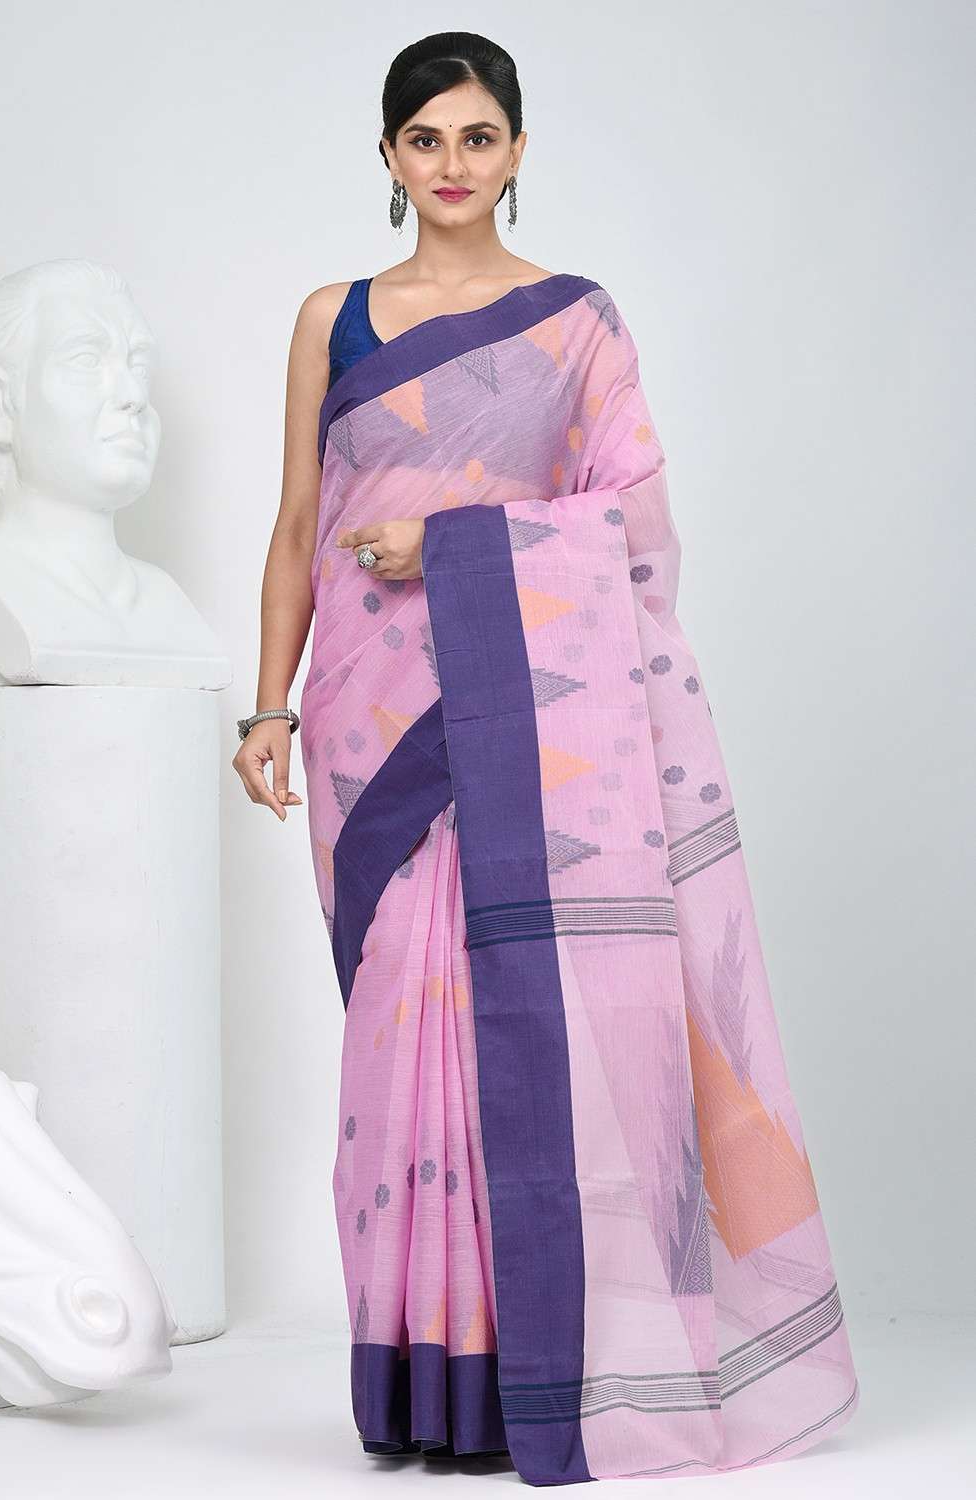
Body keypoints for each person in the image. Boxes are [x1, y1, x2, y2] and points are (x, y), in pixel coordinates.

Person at [231, 29, 860, 1487]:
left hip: (527, 717)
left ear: (516, 149)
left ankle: (539, 1380)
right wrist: (268, 708)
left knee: (533, 1023)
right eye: (424, 139)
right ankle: (420, 1376)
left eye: (477, 136)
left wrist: (450, 545)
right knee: (399, 1030)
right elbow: (296, 525)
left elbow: (633, 529)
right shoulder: (333, 318)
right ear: (387, 154)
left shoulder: (575, 325)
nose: (451, 164)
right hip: (370, 719)